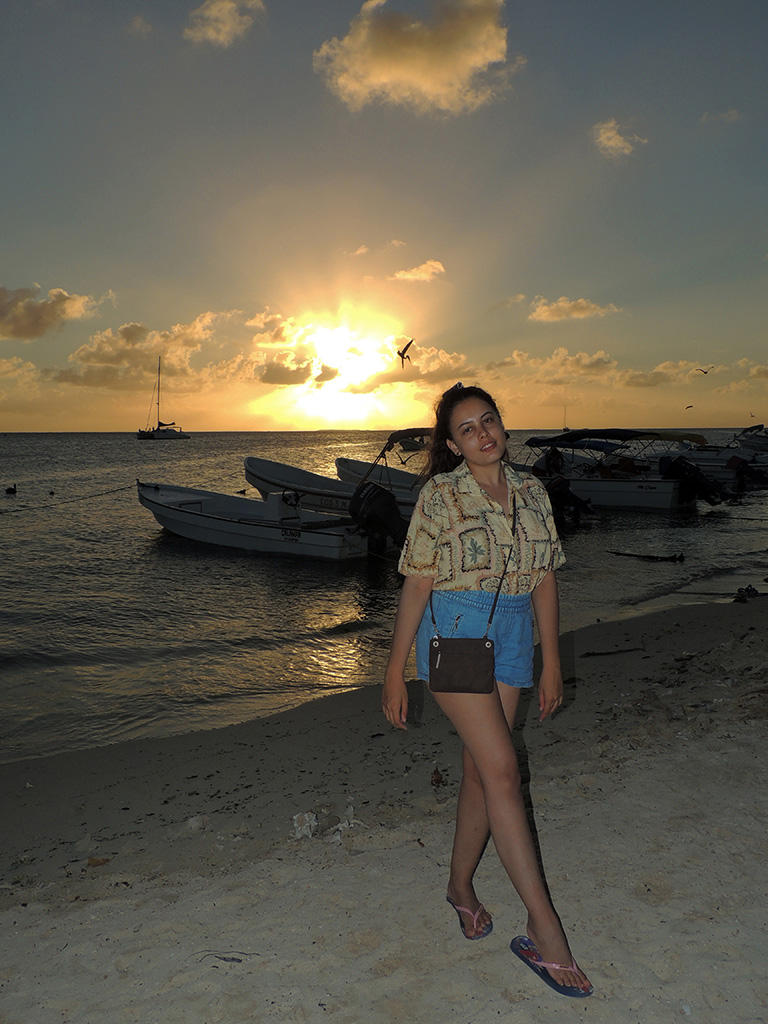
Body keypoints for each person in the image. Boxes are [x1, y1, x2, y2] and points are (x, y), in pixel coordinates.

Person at [382, 383, 593, 999]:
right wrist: (395, 670)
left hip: (512, 632)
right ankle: (544, 928)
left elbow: (547, 577)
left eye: (489, 420)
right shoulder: (441, 496)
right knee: (503, 769)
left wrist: (552, 659)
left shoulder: (532, 491)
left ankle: (459, 888)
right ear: (452, 444)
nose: (483, 434)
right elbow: (416, 586)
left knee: (481, 773)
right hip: (454, 633)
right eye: (467, 428)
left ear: (502, 424)